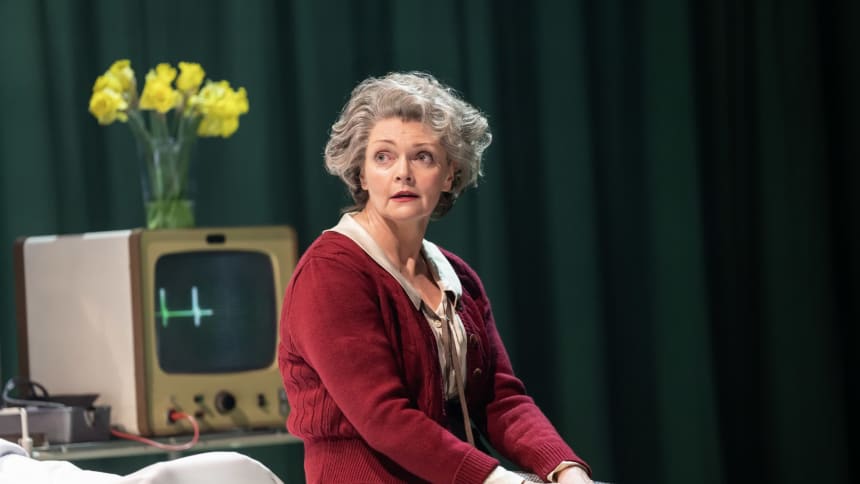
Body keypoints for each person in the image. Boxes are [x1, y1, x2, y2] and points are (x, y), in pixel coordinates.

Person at [278, 72, 593, 484]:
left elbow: (502, 400)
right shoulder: (331, 273)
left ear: (449, 174)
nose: (402, 173)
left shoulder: (457, 276)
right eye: (383, 157)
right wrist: (502, 481)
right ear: (360, 174)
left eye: (423, 156)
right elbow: (384, 418)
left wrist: (564, 469)